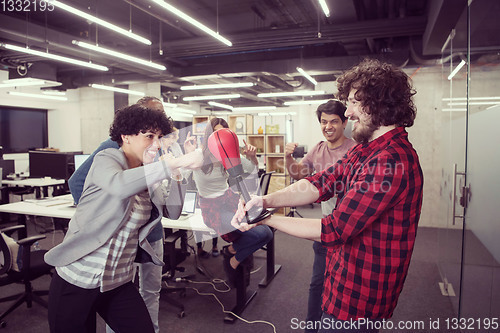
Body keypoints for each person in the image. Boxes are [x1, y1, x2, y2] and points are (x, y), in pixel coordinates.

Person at [233, 58, 424, 333]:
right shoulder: (366, 149)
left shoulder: (391, 161)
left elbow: (335, 229)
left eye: (354, 103)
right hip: (341, 282)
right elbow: (321, 182)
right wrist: (266, 201)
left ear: (379, 104)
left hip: (359, 302)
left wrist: (266, 220)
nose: (349, 112)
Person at [46, 104, 202, 332]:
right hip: (78, 279)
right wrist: (173, 164)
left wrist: (179, 174)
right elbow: (119, 186)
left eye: (159, 137)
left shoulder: (149, 173)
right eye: (149, 136)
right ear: (126, 136)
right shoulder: (106, 159)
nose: (156, 144)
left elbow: (173, 212)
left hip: (117, 281)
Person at [285, 100, 356, 333]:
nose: (328, 126)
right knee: (318, 283)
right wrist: (287, 158)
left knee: (346, 287)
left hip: (350, 231)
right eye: (324, 122)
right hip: (324, 230)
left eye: (334, 121)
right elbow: (299, 175)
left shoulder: (355, 150)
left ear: (344, 122)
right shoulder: (317, 149)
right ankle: (312, 328)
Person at [186, 117, 273, 286]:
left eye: (222, 134)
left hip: (230, 201)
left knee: (267, 232)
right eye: (215, 134)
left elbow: (252, 169)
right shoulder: (198, 156)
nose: (219, 139)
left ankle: (232, 253)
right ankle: (234, 256)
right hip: (212, 209)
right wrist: (187, 154)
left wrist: (253, 158)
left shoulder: (228, 154)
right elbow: (179, 173)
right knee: (258, 234)